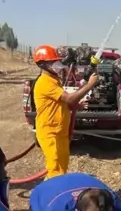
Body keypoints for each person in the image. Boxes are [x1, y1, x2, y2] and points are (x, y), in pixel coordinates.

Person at [32, 45, 100, 179]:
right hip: (50, 133)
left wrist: (73, 107)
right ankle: (52, 197)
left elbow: (59, 103)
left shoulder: (53, 80)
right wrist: (90, 85)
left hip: (60, 131)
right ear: (43, 64)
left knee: (61, 169)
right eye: (53, 61)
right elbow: (69, 99)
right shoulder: (45, 82)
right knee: (55, 171)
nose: (57, 63)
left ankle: (56, 193)